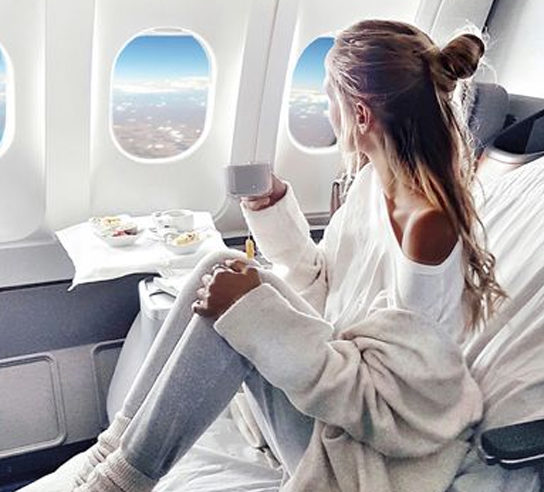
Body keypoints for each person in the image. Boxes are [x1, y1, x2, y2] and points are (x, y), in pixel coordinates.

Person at [27, 20, 505, 492]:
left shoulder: (426, 227)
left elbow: (394, 405)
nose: (328, 113)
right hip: (342, 400)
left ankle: (120, 483)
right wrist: (273, 208)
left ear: (361, 115)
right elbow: (321, 290)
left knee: (237, 307)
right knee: (222, 267)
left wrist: (253, 316)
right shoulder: (371, 184)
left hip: (373, 450)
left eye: (330, 99)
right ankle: (113, 450)